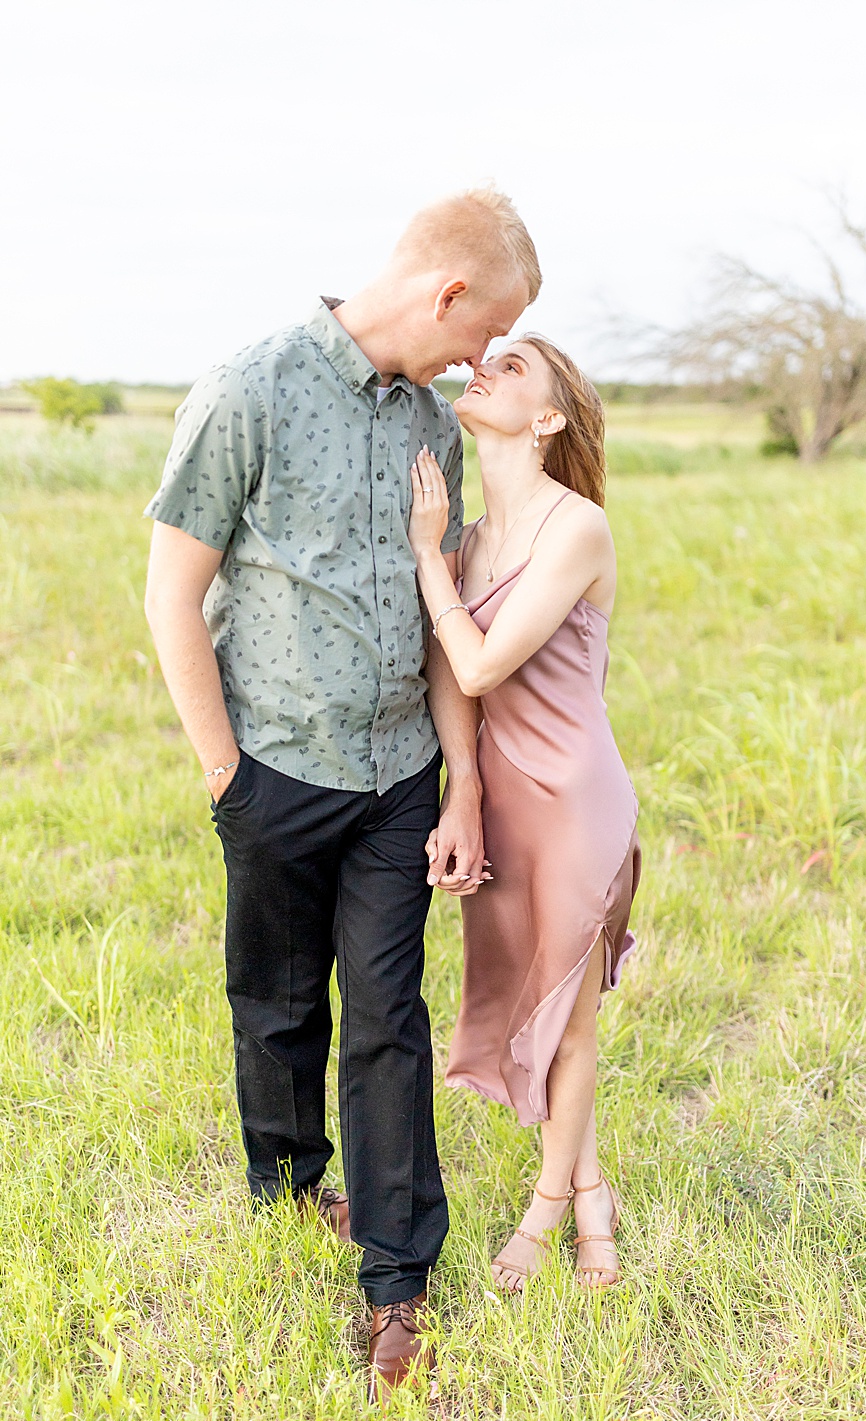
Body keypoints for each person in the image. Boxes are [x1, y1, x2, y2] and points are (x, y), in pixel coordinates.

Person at [143, 188, 537, 1398]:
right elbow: (171, 594)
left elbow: (443, 617)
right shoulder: (248, 388)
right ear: (447, 293)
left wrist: (462, 784)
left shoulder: (432, 422)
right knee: (273, 1003)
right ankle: (284, 1181)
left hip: (399, 778)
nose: (482, 361)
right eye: (484, 332)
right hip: (275, 768)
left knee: (386, 1015)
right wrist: (226, 772)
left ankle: (396, 1283)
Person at [404, 335, 639, 1295]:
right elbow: (447, 686)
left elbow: (480, 662)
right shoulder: (469, 539)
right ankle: (590, 1186)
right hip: (502, 796)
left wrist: (425, 555)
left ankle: (549, 1211)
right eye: (484, 360)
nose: (485, 369)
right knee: (532, 996)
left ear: (547, 420)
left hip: (575, 796)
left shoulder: (574, 526)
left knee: (567, 1014)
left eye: (514, 368)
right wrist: (463, 784)